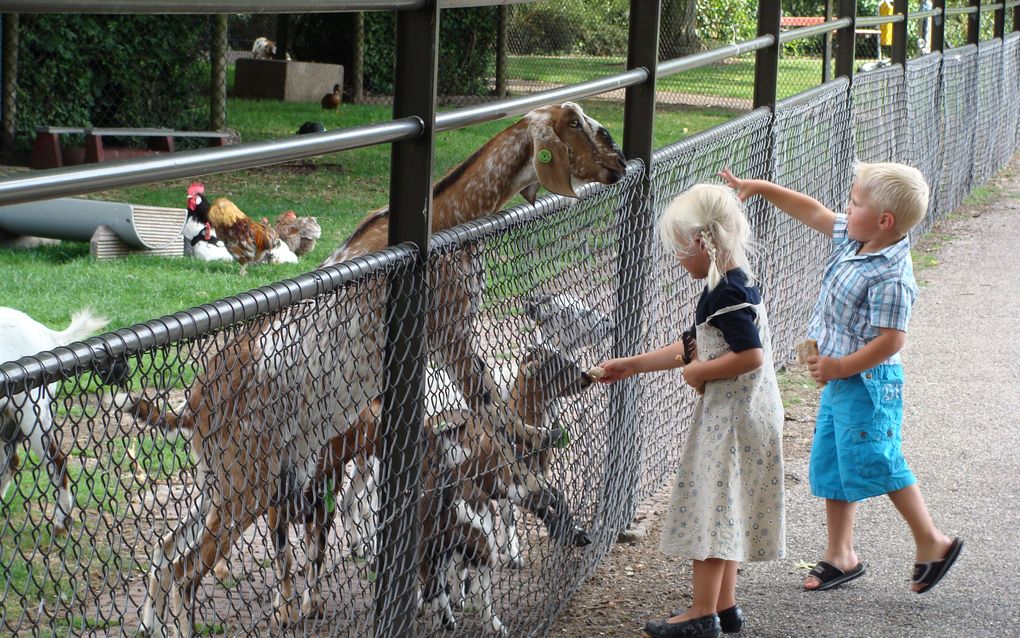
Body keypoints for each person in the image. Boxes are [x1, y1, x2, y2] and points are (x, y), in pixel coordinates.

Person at [719, 163, 962, 595]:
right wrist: (760, 187)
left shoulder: (891, 274)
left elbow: (891, 340)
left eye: (854, 202)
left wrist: (840, 367)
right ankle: (841, 554)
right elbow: (811, 212)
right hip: (841, 380)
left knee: (879, 458)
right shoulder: (857, 238)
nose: (845, 209)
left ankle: (933, 541)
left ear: (884, 221)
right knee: (833, 462)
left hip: (867, 382)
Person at [597, 184, 785, 638]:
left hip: (733, 422)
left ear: (703, 242)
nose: (679, 260)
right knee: (729, 508)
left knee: (712, 514)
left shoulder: (725, 293)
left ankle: (702, 615)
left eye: (681, 251)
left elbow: (749, 355)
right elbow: (696, 344)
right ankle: (725, 606)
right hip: (749, 417)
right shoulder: (732, 282)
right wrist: (632, 365)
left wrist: (697, 374)